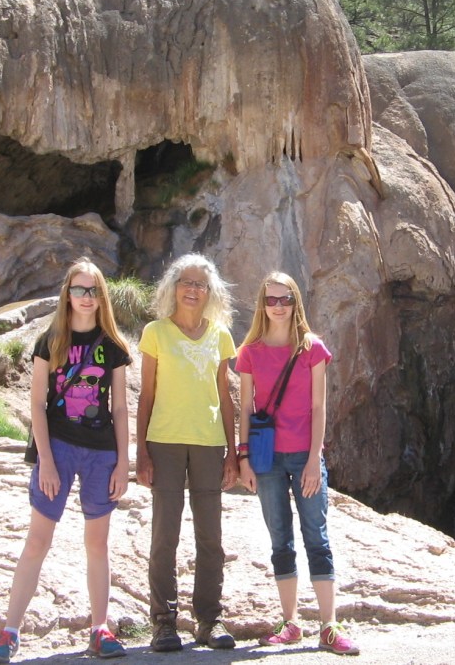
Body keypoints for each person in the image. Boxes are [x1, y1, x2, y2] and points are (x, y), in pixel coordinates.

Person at [0, 258, 132, 663]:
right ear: (67, 294)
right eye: (79, 289)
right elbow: (37, 403)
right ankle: (9, 631)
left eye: (93, 290)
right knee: (37, 540)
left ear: (102, 296)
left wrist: (124, 463)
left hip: (101, 452)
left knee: (97, 543)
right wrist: (45, 460)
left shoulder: (113, 347)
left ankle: (99, 629)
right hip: (59, 448)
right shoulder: (50, 341)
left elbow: (120, 408)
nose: (86, 297)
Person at [235, 272, 359, 656]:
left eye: (284, 299)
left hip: (304, 455)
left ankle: (328, 626)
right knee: (280, 539)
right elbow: (245, 408)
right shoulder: (250, 351)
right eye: (271, 299)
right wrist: (243, 458)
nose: (278, 306)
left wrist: (314, 459)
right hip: (266, 459)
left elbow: (319, 407)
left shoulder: (312, 348)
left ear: (295, 302)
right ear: (262, 304)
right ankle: (290, 623)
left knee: (316, 536)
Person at [136, 253, 238, 652]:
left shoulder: (221, 335)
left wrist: (232, 453)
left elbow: (226, 397)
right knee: (165, 535)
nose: (192, 290)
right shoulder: (156, 332)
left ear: (210, 292)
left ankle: (209, 620)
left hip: (210, 444)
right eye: (186, 282)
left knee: (211, 536)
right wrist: (141, 453)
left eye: (200, 284)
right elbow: (146, 395)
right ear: (173, 287)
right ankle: (163, 622)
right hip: (164, 442)